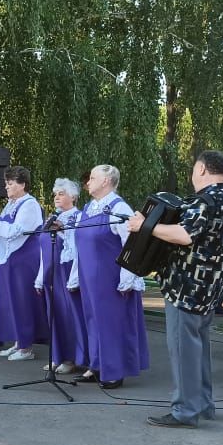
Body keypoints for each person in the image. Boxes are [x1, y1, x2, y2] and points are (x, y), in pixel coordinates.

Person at [138, 150, 223, 428]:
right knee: (197, 350)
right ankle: (203, 404)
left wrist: (145, 226)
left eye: (195, 169)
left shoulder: (206, 200)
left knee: (184, 351)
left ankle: (185, 410)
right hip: (208, 289)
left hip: (186, 288)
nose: (193, 174)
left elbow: (184, 234)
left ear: (203, 169)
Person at [69, 165, 148, 388]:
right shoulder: (89, 207)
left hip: (109, 276)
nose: (88, 182)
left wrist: (127, 279)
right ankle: (97, 365)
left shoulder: (118, 207)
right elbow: (79, 244)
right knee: (93, 320)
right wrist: (75, 275)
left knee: (110, 323)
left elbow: (130, 246)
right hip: (88, 276)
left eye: (93, 178)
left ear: (106, 182)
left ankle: (114, 370)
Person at [0, 166, 43, 361]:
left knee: (22, 301)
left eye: (10, 183)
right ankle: (18, 341)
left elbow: (14, 231)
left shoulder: (29, 205)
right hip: (7, 258)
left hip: (22, 258)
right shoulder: (11, 204)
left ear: (22, 185)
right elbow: (1, 234)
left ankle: (26, 347)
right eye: (6, 183)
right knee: (10, 301)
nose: (6, 187)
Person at [34, 178, 88, 375]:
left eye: (61, 193)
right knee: (54, 315)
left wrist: (63, 231)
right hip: (52, 272)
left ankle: (72, 358)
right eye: (55, 194)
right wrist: (40, 276)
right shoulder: (51, 218)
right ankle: (56, 355)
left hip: (67, 270)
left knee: (69, 316)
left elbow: (79, 246)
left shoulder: (79, 217)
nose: (57, 197)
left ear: (73, 197)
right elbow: (43, 247)